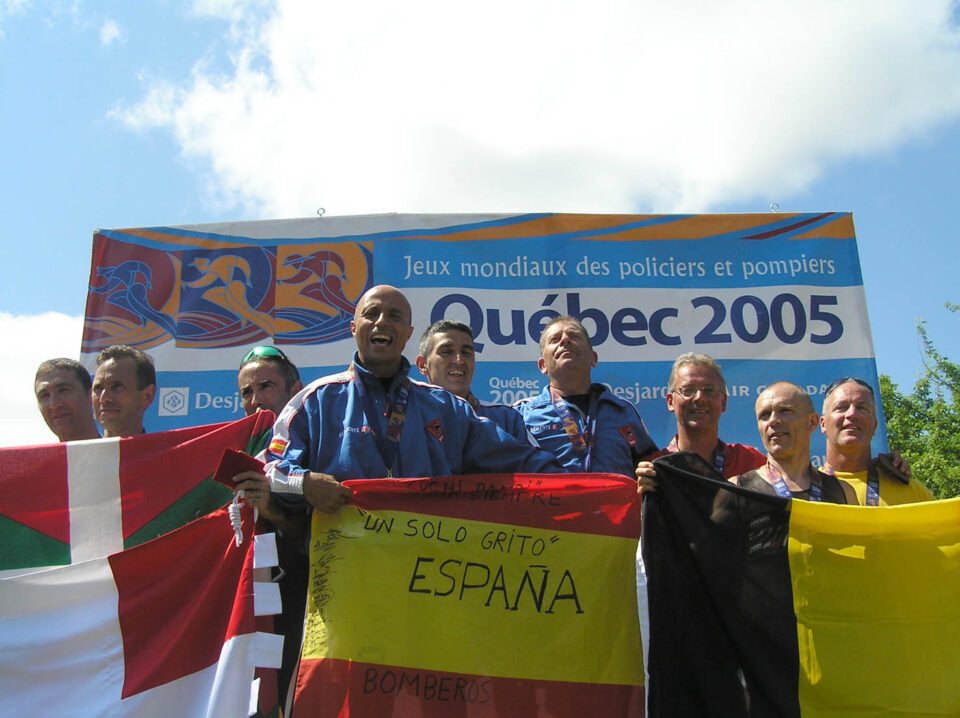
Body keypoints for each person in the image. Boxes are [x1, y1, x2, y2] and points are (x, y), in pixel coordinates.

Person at [263, 285, 562, 512]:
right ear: (354, 328)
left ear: (406, 334)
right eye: (371, 314)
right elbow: (268, 467)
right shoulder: (316, 401)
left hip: (426, 574)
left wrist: (594, 487)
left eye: (394, 316)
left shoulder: (446, 407)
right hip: (340, 574)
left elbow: (520, 461)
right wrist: (304, 484)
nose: (382, 322)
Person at [514, 315, 657, 477]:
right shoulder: (521, 416)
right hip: (553, 502)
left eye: (574, 336)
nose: (565, 340)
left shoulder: (623, 411)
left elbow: (650, 464)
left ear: (593, 358)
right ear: (542, 366)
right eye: (555, 339)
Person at [637, 354, 764, 490]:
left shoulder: (750, 461)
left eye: (709, 390)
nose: (699, 398)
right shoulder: (651, 470)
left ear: (723, 402)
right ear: (670, 402)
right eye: (688, 390)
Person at [734, 382, 857, 504]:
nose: (773, 420)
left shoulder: (844, 493)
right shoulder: (737, 489)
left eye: (785, 411)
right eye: (765, 415)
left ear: (812, 422)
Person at [819, 376, 934, 505]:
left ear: (874, 426)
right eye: (841, 407)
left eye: (862, 408)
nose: (852, 413)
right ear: (823, 424)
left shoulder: (913, 492)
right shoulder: (807, 491)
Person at [415, 319, 530, 443]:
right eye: (447, 352)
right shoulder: (410, 417)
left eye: (466, 353)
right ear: (422, 365)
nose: (459, 360)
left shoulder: (507, 419)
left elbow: (533, 461)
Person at [91, 345, 156, 438]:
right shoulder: (76, 452)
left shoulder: (169, 452)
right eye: (98, 388)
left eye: (116, 386)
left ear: (147, 396)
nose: (104, 398)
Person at [34, 358, 100, 442]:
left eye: (63, 390)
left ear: (91, 395)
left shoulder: (119, 454)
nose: (54, 404)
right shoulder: (32, 455)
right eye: (45, 395)